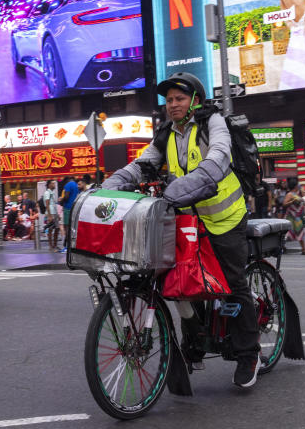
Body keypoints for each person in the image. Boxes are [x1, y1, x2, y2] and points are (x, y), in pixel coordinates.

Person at [102, 72, 261, 388]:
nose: (172, 105)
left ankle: (248, 354)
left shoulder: (212, 123)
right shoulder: (166, 133)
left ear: (195, 101)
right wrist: (107, 187)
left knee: (232, 283)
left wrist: (174, 190)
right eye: (169, 100)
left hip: (224, 219)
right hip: (187, 221)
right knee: (179, 282)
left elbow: (216, 160)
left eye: (179, 98)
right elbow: (142, 165)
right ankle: (196, 339)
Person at [282, 179, 305, 255]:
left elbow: (300, 203)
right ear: (295, 186)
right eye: (298, 185)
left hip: (297, 217)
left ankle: (303, 249)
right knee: (287, 233)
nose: (299, 186)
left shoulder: (297, 194)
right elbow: (284, 204)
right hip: (291, 217)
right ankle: (281, 247)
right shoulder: (290, 194)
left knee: (300, 232)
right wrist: (292, 201)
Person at [59, 175, 79, 253]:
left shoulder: (68, 185)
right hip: (74, 207)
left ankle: (67, 247)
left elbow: (66, 197)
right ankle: (72, 246)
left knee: (67, 228)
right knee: (73, 227)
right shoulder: (76, 185)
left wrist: (61, 201)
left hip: (68, 208)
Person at [42, 180, 60, 250]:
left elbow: (54, 204)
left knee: (57, 228)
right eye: (52, 183)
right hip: (50, 212)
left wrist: (57, 214)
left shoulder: (53, 192)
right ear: (49, 185)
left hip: (54, 212)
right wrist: (49, 215)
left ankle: (55, 245)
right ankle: (50, 246)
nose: (54, 184)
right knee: (50, 229)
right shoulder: (47, 193)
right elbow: (47, 204)